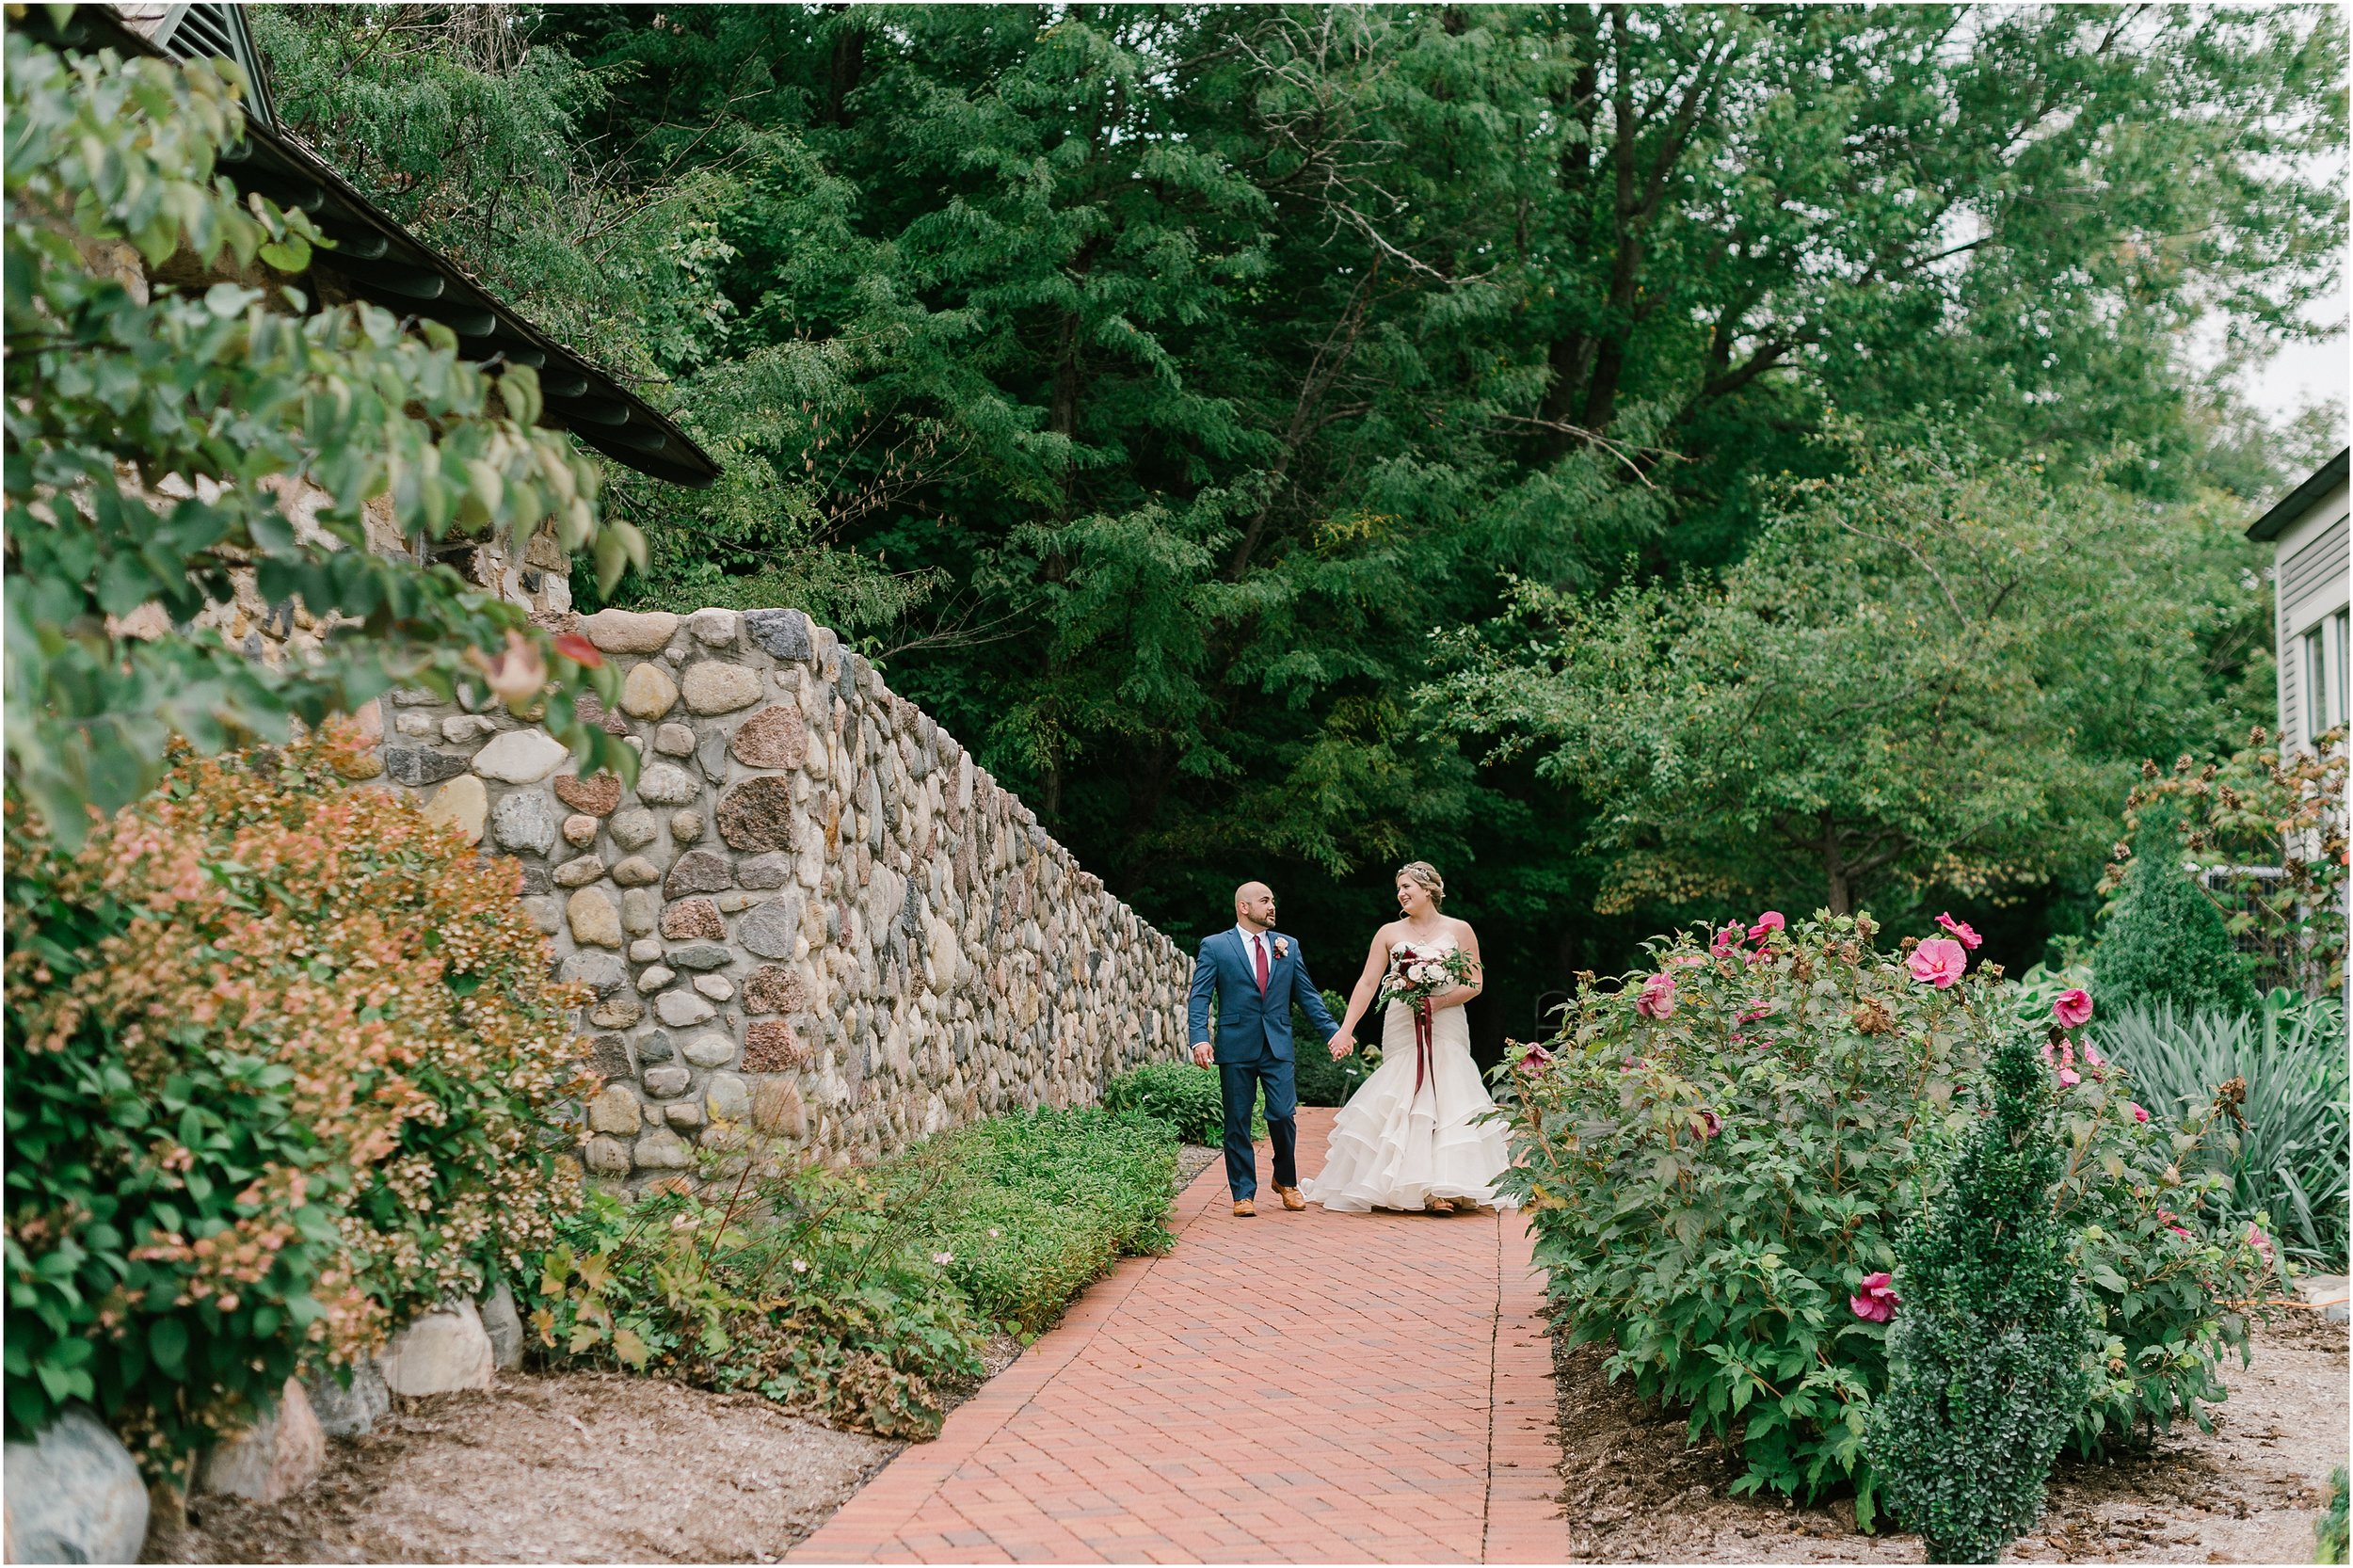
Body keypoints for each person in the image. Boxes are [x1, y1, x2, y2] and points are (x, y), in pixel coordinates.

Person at [1300, 861, 1514, 1214]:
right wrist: (1346, 1028)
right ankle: (1406, 1182)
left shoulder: (1460, 930)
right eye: (1399, 888)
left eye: (1407, 887)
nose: (1401, 893)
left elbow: (1474, 983)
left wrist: (1439, 1001)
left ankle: (1445, 1186)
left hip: (1446, 1021)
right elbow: (1368, 983)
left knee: (1448, 1092)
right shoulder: (1388, 932)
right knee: (1407, 1093)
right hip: (1402, 1021)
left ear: (1428, 890)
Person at [1187, 881, 1342, 1217]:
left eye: (1273, 900)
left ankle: (1286, 1180)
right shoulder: (1215, 947)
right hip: (1236, 1045)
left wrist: (1333, 1032)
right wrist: (1200, 1037)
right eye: (1265, 900)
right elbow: (1200, 997)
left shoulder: (1288, 946)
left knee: (1283, 1114)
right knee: (1237, 1121)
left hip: (1277, 1044)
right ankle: (1243, 1193)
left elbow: (1308, 996)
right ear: (1244, 907)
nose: (1272, 906)